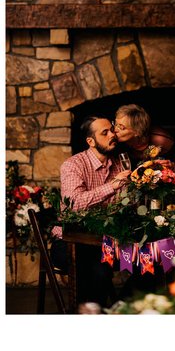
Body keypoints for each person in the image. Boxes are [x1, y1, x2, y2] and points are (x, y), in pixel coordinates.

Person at [55, 115, 127, 306]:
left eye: (112, 129)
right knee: (98, 270)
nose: (113, 134)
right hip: (69, 241)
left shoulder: (119, 164)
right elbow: (74, 204)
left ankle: (121, 308)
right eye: (105, 132)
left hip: (101, 240)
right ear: (91, 141)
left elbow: (123, 206)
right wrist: (113, 186)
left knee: (147, 261)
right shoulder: (73, 165)